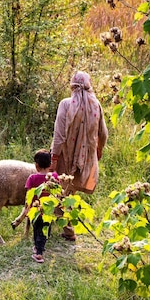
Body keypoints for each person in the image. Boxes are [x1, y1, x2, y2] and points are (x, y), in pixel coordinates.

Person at [50, 70, 108, 241]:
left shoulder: (66, 104)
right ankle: (66, 225)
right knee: (71, 190)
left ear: (72, 85)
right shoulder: (96, 105)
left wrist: (54, 158)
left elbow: (59, 134)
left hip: (65, 155)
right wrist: (99, 149)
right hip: (86, 155)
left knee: (61, 190)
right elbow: (103, 133)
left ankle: (67, 229)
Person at [11, 149, 59, 263]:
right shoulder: (54, 177)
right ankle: (39, 246)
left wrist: (27, 209)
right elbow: (58, 192)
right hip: (48, 210)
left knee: (37, 229)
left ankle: (39, 254)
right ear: (50, 164)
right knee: (45, 229)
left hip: (35, 210)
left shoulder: (32, 178)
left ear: (36, 165)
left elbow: (29, 195)